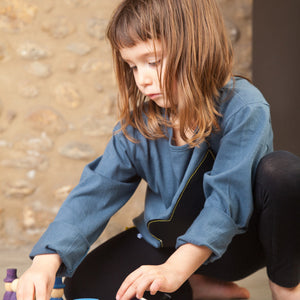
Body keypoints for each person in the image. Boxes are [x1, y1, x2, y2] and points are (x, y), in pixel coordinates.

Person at [16, 0, 300, 300]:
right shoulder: (139, 125)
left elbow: (227, 202)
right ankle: (200, 287)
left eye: (152, 61)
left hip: (235, 245)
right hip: (167, 243)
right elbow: (95, 192)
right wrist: (45, 264)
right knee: (80, 284)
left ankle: (287, 289)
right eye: (132, 66)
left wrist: (174, 271)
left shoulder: (244, 106)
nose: (142, 79)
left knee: (282, 172)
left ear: (194, 47)